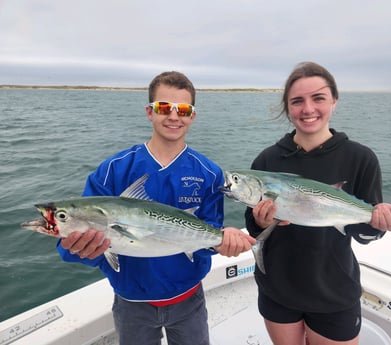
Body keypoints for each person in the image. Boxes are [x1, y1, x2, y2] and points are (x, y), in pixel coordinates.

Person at [57, 71, 255, 345]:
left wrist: (224, 241)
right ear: (150, 112)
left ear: (192, 116)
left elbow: (210, 233)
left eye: (183, 109)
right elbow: (75, 243)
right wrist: (82, 250)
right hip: (131, 303)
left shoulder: (209, 172)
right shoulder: (114, 170)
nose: (174, 116)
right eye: (164, 108)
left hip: (189, 299)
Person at [244, 62, 391, 345]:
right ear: (287, 107)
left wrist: (378, 223)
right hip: (277, 287)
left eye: (318, 98)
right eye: (297, 101)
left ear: (334, 101)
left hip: (334, 289)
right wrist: (260, 221)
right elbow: (255, 228)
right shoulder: (268, 161)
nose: (308, 109)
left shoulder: (360, 158)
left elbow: (364, 233)